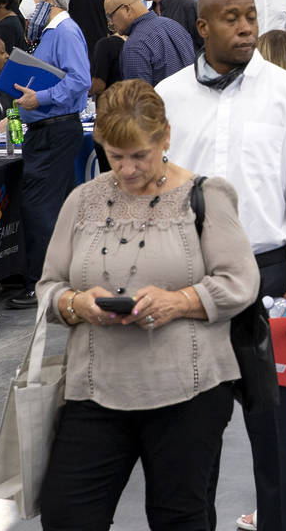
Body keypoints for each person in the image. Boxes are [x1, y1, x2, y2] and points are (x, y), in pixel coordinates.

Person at [37, 79, 259, 531]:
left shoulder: (205, 197)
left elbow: (241, 281)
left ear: (166, 138)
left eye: (139, 155)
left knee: (180, 518)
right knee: (67, 514)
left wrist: (179, 301)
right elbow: (48, 286)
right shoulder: (83, 201)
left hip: (188, 392)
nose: (127, 169)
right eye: (114, 156)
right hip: (95, 390)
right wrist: (78, 303)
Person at [156, 0, 286, 531]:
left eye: (250, 16)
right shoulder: (168, 97)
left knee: (273, 424)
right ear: (202, 28)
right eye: (230, 18)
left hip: (270, 276)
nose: (246, 27)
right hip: (189, 279)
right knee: (189, 427)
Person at [6, 0, 90, 309]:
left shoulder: (65, 31)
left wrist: (39, 99)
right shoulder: (47, 33)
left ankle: (40, 283)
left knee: (39, 207)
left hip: (54, 129)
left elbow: (79, 80)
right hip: (46, 130)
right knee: (56, 207)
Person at [104, 0, 195, 85]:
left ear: (126, 9)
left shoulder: (134, 46)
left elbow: (140, 97)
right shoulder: (174, 25)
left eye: (110, 16)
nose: (111, 23)